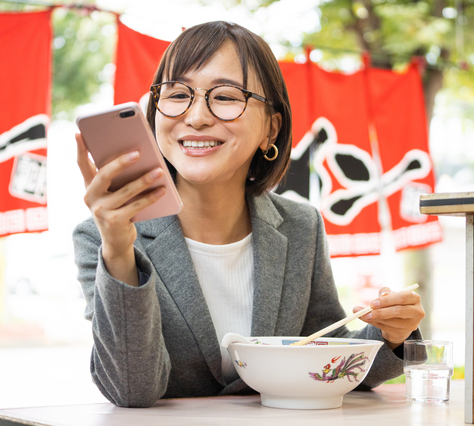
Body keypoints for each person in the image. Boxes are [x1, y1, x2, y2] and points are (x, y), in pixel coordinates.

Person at [73, 21, 425, 408]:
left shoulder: (300, 227)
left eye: (225, 97)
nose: (196, 117)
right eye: (177, 94)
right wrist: (120, 252)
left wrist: (393, 335)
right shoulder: (102, 237)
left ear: (271, 129)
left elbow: (321, 361)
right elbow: (131, 389)